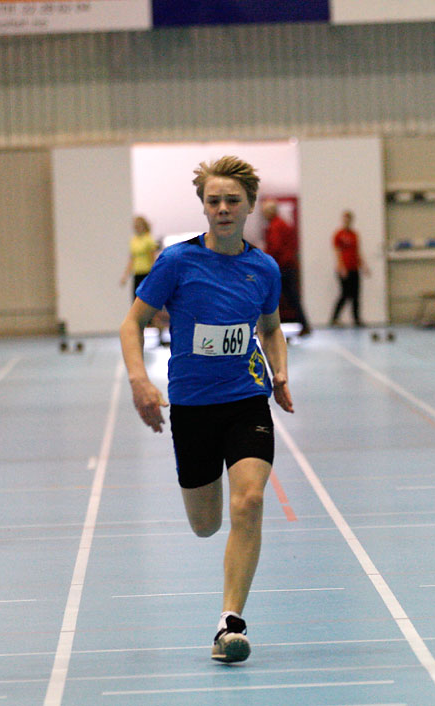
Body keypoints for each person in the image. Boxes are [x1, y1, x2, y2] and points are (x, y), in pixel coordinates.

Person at [119, 156, 293, 664]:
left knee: (250, 501)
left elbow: (271, 329)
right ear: (203, 206)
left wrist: (280, 373)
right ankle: (214, 540)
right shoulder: (176, 262)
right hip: (193, 406)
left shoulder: (264, 268)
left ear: (249, 206)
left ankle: (230, 622)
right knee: (205, 524)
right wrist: (140, 381)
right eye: (213, 200)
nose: (222, 208)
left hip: (246, 398)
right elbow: (132, 324)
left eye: (232, 200)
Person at [262, 199, 311, 336]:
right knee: (291, 298)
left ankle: (268, 328)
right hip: (287, 266)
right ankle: (304, 325)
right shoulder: (282, 223)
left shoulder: (276, 226)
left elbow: (275, 247)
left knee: (273, 297)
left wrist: (263, 259)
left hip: (282, 267)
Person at [329, 209, 369, 327]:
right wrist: (341, 267)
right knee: (345, 294)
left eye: (349, 219)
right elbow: (337, 252)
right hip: (344, 269)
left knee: (356, 295)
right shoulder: (339, 234)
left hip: (354, 268)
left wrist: (363, 266)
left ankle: (356, 319)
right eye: (345, 218)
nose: (347, 221)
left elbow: (357, 252)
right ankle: (334, 318)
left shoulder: (354, 234)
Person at [119, 215, 159, 300]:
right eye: (135, 226)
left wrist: (155, 274)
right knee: (135, 298)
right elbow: (132, 259)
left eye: (138, 225)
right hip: (137, 273)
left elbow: (152, 258)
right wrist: (125, 276)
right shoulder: (134, 240)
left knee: (146, 298)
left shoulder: (148, 239)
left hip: (146, 273)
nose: (136, 228)